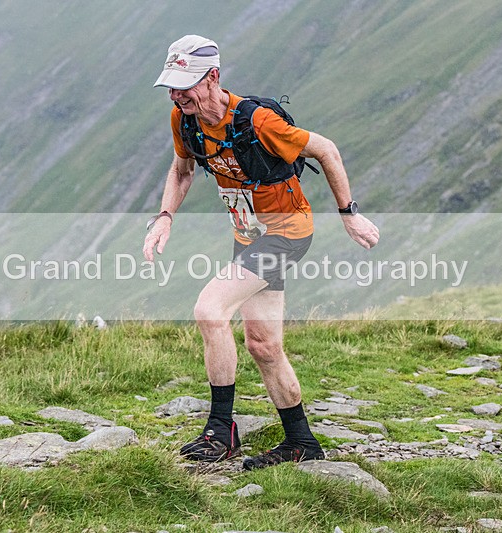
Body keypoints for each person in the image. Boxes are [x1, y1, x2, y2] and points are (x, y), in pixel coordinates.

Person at [143, 35, 379, 470]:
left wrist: (348, 213)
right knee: (264, 346)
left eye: (186, 84)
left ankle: (220, 430)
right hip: (249, 234)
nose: (177, 95)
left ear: (213, 76)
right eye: (171, 85)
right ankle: (301, 443)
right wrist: (164, 216)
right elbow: (182, 169)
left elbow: (325, 149)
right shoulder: (185, 119)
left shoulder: (259, 121)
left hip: (287, 232)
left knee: (210, 310)